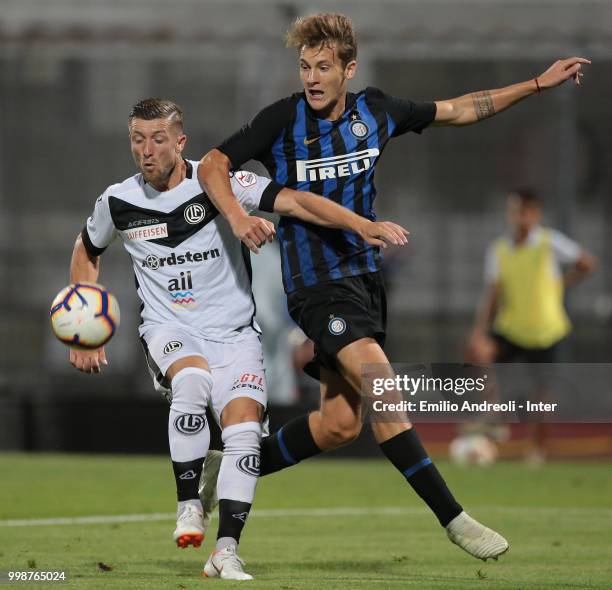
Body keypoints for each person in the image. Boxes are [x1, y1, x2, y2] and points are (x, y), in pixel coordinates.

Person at [198, 12, 590, 561]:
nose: (311, 78)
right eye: (305, 67)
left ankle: (234, 465)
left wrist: (534, 85)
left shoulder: (375, 111)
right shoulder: (280, 120)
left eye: (323, 67)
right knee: (383, 384)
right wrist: (240, 219)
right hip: (315, 287)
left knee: (338, 425)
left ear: (348, 70)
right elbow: (213, 165)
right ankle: (453, 519)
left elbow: (460, 109)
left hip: (364, 284)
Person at [68, 98, 410, 580]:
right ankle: (188, 505)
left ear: (180, 142)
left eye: (158, 138)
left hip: (234, 334)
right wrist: (85, 326)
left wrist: (360, 223)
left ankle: (225, 550)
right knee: (191, 384)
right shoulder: (118, 201)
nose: (147, 150)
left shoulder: (218, 184)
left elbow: (296, 200)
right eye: (137, 139)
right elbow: (86, 250)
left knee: (245, 435)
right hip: (170, 329)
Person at [466, 188, 597, 461]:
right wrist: (480, 331)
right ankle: (495, 416)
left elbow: (586, 263)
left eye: (523, 211)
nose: (517, 217)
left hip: (546, 331)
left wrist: (561, 284)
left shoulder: (550, 242)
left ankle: (537, 450)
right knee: (480, 353)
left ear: (535, 214)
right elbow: (493, 294)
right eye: (513, 211)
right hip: (512, 327)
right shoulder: (499, 249)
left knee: (542, 394)